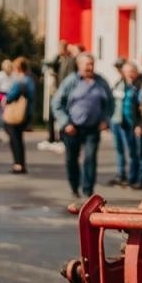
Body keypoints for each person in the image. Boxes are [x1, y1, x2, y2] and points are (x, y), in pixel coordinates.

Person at [51, 52, 114, 213]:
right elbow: (57, 102)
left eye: (92, 64)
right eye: (87, 64)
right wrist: (65, 123)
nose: (90, 67)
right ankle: (74, 187)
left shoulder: (101, 82)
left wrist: (105, 120)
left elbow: (110, 103)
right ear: (79, 65)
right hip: (72, 127)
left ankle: (88, 191)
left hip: (93, 127)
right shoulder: (71, 81)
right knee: (72, 158)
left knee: (90, 158)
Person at [0, 57, 34, 174]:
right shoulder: (30, 79)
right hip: (27, 112)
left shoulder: (21, 81)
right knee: (18, 138)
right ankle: (21, 163)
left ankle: (18, 164)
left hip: (18, 113)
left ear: (18, 68)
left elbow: (12, 95)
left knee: (14, 138)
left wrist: (6, 100)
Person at [114, 61, 142, 187]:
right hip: (125, 124)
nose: (129, 75)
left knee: (141, 153)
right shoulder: (125, 85)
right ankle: (132, 178)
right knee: (132, 152)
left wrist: (141, 125)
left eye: (132, 72)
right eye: (127, 72)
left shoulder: (140, 85)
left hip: (137, 125)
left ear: (136, 72)